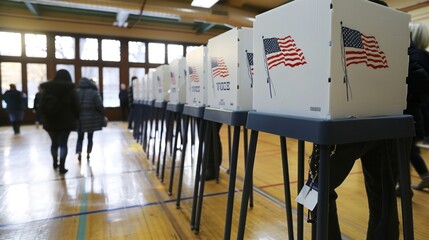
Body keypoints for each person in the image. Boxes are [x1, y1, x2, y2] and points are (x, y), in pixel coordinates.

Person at [311, 0, 428, 239]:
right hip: (391, 125)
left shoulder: (334, 17)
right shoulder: (394, 29)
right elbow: (420, 82)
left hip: (344, 123)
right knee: (383, 200)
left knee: (317, 188)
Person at [39, 69, 80, 174]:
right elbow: (76, 107)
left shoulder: (47, 89)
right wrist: (77, 117)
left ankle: (54, 163)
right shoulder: (70, 90)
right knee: (63, 144)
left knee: (54, 143)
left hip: (50, 122)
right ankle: (62, 166)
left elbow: (41, 106)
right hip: (66, 122)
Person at [408, 22, 429, 190]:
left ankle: (403, 184)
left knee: (406, 149)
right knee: (409, 148)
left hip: (412, 110)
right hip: (419, 111)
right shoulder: (426, 56)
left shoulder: (415, 57)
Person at [75, 77, 105, 162]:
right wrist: (102, 113)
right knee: (90, 137)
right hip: (91, 119)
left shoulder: (77, 92)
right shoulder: (94, 93)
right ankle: (88, 153)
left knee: (80, 137)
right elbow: (100, 106)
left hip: (79, 119)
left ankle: (79, 152)